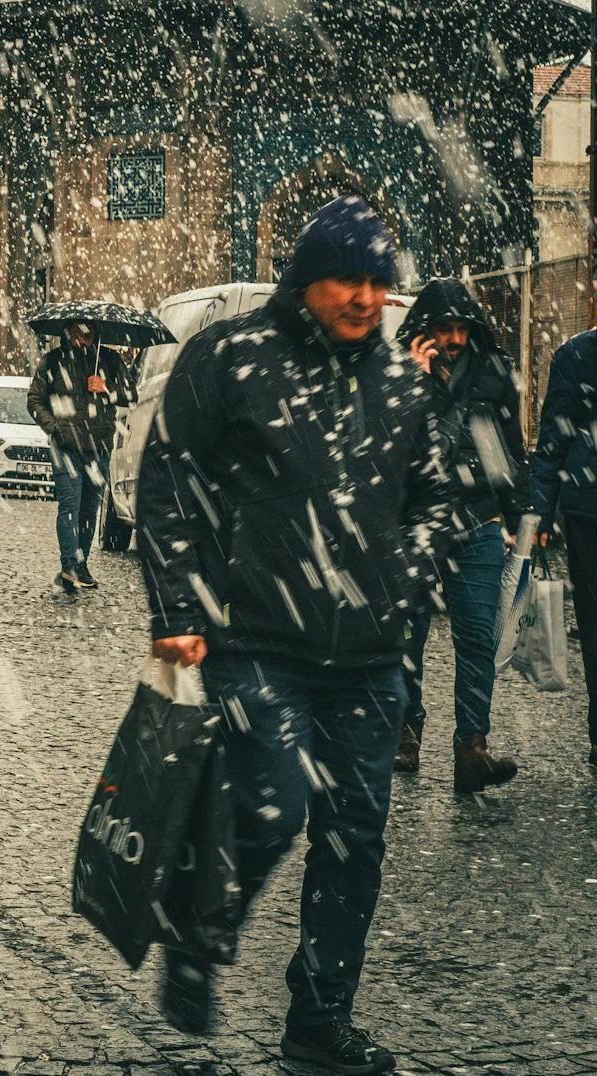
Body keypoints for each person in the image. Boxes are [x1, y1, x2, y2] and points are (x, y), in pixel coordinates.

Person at [136, 197, 448, 1074]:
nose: (364, 298)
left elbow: (433, 496)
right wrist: (178, 613)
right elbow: (169, 480)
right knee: (272, 805)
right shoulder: (230, 357)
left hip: (370, 660)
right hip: (256, 641)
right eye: (347, 280)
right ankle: (196, 932)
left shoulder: (401, 382)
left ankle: (320, 1018)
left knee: (355, 840)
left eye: (378, 283)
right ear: (306, 280)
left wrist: (406, 580)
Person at [396, 278, 525, 792]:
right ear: (424, 328)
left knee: (476, 636)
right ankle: (406, 730)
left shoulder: (493, 371)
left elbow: (509, 449)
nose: (452, 338)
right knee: (409, 634)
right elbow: (385, 441)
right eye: (443, 328)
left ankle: (472, 747)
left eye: (460, 328)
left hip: (477, 521)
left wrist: (522, 519)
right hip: (415, 522)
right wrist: (412, 382)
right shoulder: (398, 368)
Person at [529, 324, 597, 773]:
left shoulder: (577, 355)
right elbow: (553, 439)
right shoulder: (577, 356)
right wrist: (538, 513)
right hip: (589, 513)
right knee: (593, 623)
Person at [27, 321, 131, 592]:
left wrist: (106, 388)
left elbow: (131, 395)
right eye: (74, 333)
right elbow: (34, 400)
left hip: (98, 447)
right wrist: (55, 428)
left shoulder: (109, 360)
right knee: (69, 505)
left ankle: (81, 565)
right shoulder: (53, 361)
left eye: (85, 335)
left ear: (95, 335)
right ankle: (69, 565)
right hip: (66, 447)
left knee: (89, 510)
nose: (78, 340)